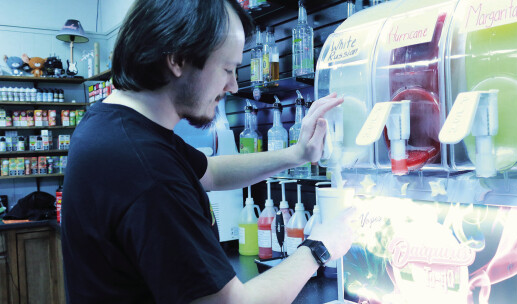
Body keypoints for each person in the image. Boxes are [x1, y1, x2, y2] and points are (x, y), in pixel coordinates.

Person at [61, 0, 355, 303]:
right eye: (227, 69)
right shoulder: (146, 169)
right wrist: (319, 248)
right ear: (177, 59)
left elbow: (210, 171)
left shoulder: (113, 124)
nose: (232, 86)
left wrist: (297, 154)